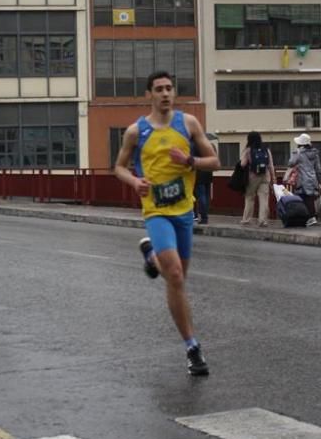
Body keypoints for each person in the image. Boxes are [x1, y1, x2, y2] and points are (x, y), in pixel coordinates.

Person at [114, 71, 220, 376]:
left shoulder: (188, 124)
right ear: (149, 94)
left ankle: (150, 255)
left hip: (184, 212)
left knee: (179, 280)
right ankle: (192, 347)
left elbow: (214, 162)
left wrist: (189, 161)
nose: (165, 93)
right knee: (174, 274)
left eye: (169, 88)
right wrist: (135, 182)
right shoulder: (136, 132)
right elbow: (118, 167)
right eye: (159, 89)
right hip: (156, 211)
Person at [240, 131, 275, 226]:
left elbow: (243, 164)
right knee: (264, 198)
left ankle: (246, 220)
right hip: (265, 175)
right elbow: (271, 165)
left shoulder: (248, 150)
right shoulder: (266, 149)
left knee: (249, 198)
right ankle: (263, 221)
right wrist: (273, 178)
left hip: (252, 176)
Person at [287, 133, 321, 227]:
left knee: (301, 199)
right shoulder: (315, 153)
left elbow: (290, 163)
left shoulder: (299, 153)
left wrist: (296, 153)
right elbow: (318, 169)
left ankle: (308, 218)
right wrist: (319, 181)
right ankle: (312, 217)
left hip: (302, 179)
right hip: (312, 179)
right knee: (310, 198)